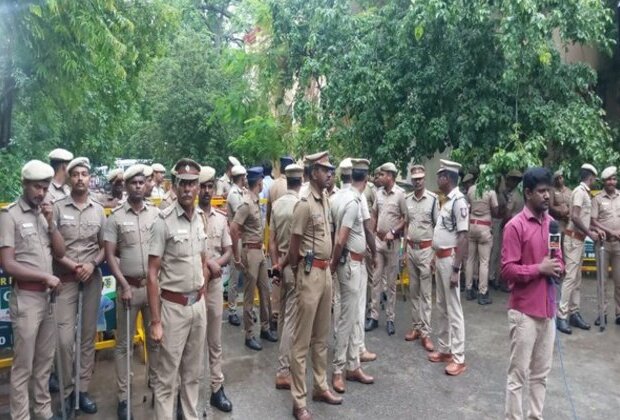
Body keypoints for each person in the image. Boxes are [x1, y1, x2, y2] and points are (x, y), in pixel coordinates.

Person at [0, 160, 65, 420]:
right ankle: (21, 416)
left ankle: (43, 412)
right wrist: (44, 276)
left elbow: (60, 252)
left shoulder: (45, 213)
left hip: (48, 298)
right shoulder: (10, 215)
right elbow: (7, 264)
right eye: (37, 187)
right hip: (26, 299)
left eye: (46, 188)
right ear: (25, 184)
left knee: (44, 363)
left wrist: (51, 223)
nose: (41, 193)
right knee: (23, 366)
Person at [147, 159, 208, 419]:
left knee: (192, 374)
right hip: (173, 309)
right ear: (175, 186)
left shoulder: (200, 219)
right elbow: (152, 274)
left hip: (198, 307)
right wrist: (156, 321)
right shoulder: (164, 221)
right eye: (183, 183)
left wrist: (200, 289)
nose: (188, 189)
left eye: (192, 183)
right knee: (166, 379)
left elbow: (203, 260)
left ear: (198, 186)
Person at [501, 167, 564, 420]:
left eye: (549, 190)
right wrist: (540, 268)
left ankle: (535, 416)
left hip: (548, 310)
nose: (547, 196)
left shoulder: (553, 225)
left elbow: (557, 259)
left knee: (541, 375)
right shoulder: (514, 226)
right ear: (528, 193)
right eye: (541, 191)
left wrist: (559, 268)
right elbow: (507, 270)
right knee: (518, 375)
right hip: (524, 312)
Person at [103, 164, 160, 420]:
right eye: (133, 183)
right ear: (126, 187)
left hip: (152, 289)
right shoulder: (115, 217)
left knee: (155, 340)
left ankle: (158, 387)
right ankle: (124, 397)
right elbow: (109, 255)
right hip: (128, 289)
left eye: (141, 182)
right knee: (124, 345)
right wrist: (122, 285)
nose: (138, 186)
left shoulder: (156, 215)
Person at [289, 151, 341, 420]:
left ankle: (320, 387)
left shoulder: (325, 201)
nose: (330, 173)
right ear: (311, 174)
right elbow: (293, 245)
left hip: (325, 273)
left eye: (331, 169)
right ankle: (298, 401)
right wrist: (299, 271)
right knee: (301, 342)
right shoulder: (304, 203)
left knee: (321, 337)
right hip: (309, 274)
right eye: (324, 169)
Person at [53, 157, 106, 413]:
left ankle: (81, 391)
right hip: (65, 280)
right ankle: (66, 392)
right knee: (63, 340)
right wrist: (74, 266)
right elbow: (52, 247)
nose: (81, 178)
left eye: (85, 174)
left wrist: (92, 265)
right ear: (70, 177)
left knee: (87, 338)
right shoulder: (57, 208)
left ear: (89, 177)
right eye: (76, 174)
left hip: (91, 279)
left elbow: (105, 247)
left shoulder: (98, 209)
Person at [330, 158, 376, 395]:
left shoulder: (336, 196)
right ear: (365, 180)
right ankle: (339, 370)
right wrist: (333, 264)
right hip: (349, 264)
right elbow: (340, 239)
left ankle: (352, 365)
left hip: (348, 263)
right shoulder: (353, 201)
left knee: (347, 315)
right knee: (347, 319)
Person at [198, 166, 234, 412]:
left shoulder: (221, 218)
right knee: (189, 345)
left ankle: (216, 388)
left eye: (210, 186)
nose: (206, 190)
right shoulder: (189, 218)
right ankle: (183, 394)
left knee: (215, 341)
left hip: (213, 286)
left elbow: (229, 252)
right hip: (191, 289)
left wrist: (215, 264)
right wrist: (208, 263)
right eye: (203, 186)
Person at [428, 159, 468, 376]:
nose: (438, 178)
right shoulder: (447, 201)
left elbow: (462, 237)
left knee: (454, 309)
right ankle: (445, 349)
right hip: (441, 258)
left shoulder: (459, 201)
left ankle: (459, 357)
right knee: (442, 306)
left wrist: (455, 269)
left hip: (450, 261)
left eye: (441, 175)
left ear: (448, 178)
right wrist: (435, 256)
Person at [230, 167, 277, 351]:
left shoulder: (255, 201)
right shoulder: (246, 203)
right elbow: (234, 229)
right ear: (259, 183)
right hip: (250, 251)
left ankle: (265, 327)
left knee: (265, 291)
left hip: (260, 251)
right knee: (249, 296)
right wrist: (236, 255)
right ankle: (249, 334)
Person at [270, 163, 303, 390]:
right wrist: (283, 265)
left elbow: (271, 240)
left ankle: (284, 361)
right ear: (300, 181)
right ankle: (284, 370)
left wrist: (275, 264)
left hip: (279, 263)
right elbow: (296, 245)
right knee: (292, 318)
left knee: (282, 316)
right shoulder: (300, 206)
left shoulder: (277, 205)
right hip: (292, 266)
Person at [556, 164, 600, 334]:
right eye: (594, 178)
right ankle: (561, 316)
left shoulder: (584, 192)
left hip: (578, 240)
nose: (595, 180)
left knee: (577, 279)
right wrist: (590, 232)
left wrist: (592, 230)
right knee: (570, 278)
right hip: (573, 240)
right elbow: (574, 217)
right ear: (591, 177)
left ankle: (573, 313)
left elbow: (583, 218)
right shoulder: (580, 192)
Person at [366, 162, 407, 336]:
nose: (380, 177)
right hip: (379, 241)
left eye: (382, 175)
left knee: (390, 283)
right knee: (375, 280)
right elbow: (374, 214)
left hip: (393, 243)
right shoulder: (378, 194)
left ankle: (390, 318)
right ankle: (374, 316)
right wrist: (371, 235)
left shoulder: (400, 195)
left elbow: (405, 218)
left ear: (390, 176)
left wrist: (393, 231)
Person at [404, 165, 439, 352]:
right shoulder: (407, 200)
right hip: (411, 249)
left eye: (420, 178)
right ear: (412, 179)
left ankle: (426, 332)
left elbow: (438, 226)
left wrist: (434, 254)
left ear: (424, 179)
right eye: (414, 178)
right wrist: (403, 250)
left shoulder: (433, 200)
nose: (417, 181)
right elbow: (406, 225)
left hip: (426, 251)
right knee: (413, 290)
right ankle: (416, 327)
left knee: (426, 294)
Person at [590, 166, 620, 326]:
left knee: (619, 281)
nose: (612, 182)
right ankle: (602, 314)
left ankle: (619, 313)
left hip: (619, 245)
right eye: (609, 179)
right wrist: (611, 232)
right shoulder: (597, 199)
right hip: (603, 245)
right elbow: (593, 221)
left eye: (614, 179)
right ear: (603, 181)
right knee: (602, 281)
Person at [465, 180, 499, 304]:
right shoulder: (491, 191)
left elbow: (467, 207)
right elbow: (495, 211)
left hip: (472, 225)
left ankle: (468, 289)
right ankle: (482, 293)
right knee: (484, 262)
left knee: (470, 259)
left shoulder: (471, 189)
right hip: (484, 228)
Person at [490, 170, 524, 291]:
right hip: (519, 227)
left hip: (510, 227)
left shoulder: (514, 196)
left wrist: (502, 226)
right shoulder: (519, 193)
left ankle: (505, 281)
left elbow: (508, 214)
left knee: (505, 255)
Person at [225, 164, 247, 326]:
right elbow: (243, 214)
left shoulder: (242, 192)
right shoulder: (234, 194)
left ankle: (247, 308)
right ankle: (232, 310)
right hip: (236, 239)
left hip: (243, 238)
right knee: (234, 276)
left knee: (245, 275)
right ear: (241, 178)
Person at [266, 156, 295, 225]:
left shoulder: (272, 185)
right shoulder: (292, 186)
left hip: (274, 228)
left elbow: (268, 212)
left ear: (280, 169)